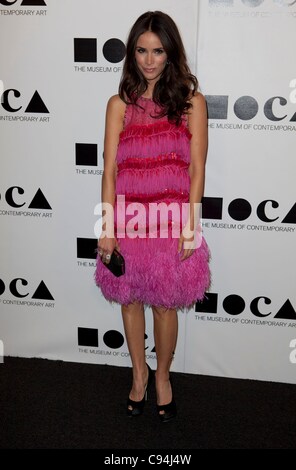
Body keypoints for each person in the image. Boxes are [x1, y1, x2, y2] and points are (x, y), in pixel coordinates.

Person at [95, 10, 210, 422]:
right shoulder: (118, 105)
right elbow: (109, 170)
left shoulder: (191, 103)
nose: (148, 60)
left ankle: (163, 377)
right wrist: (107, 228)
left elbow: (197, 170)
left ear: (170, 53)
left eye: (157, 51)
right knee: (130, 301)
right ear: (132, 54)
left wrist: (191, 226)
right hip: (128, 220)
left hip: (171, 219)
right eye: (141, 50)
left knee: (164, 306)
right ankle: (138, 375)